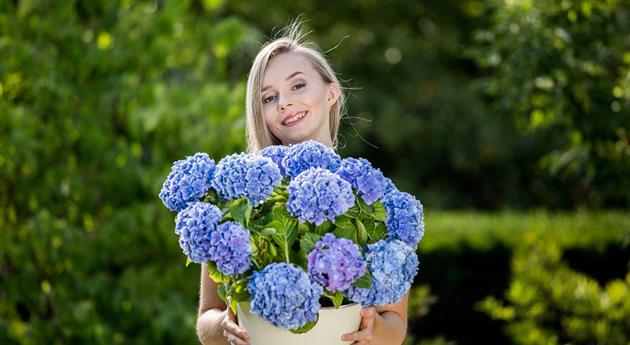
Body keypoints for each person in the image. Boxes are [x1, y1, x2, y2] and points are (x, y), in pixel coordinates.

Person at [195, 19, 409, 345]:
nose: (284, 102)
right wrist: (224, 327)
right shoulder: (239, 200)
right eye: (268, 98)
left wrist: (374, 330)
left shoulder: (373, 198)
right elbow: (207, 317)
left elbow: (395, 324)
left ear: (331, 92)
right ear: (261, 113)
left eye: (297, 86)